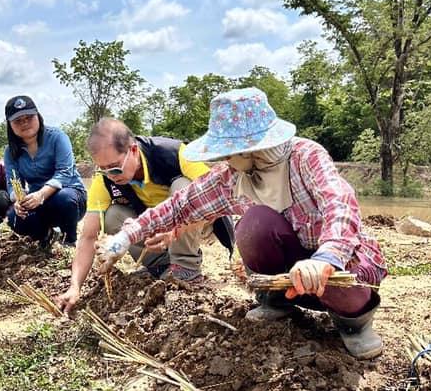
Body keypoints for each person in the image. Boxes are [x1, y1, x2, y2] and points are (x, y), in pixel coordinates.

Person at [94, 88, 388, 359]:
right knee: (253, 223)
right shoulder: (232, 177)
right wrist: (124, 238)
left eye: (228, 153)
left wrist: (326, 258)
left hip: (333, 269)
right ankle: (277, 302)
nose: (224, 160)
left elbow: (339, 204)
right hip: (288, 281)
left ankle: (354, 324)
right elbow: (178, 206)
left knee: (343, 280)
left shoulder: (305, 156)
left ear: (249, 150)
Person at [54, 118, 236, 315]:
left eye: (115, 167)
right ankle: (161, 265)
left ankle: (186, 269)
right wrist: (75, 286)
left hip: (199, 221)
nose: (111, 176)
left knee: (182, 187)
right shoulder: (105, 180)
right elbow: (88, 236)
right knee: (113, 215)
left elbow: (215, 196)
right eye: (103, 170)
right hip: (151, 225)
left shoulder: (174, 154)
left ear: (133, 150)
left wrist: (176, 228)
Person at [3, 95, 87, 251]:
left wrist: (41, 194)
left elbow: (64, 172)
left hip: (70, 197)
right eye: (18, 120)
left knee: (64, 198)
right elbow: (12, 182)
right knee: (15, 218)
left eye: (29, 117)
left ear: (38, 116)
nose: (24, 123)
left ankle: (69, 240)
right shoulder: (10, 152)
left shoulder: (57, 137)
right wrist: (19, 200)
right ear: (10, 125)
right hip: (37, 201)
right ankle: (46, 235)